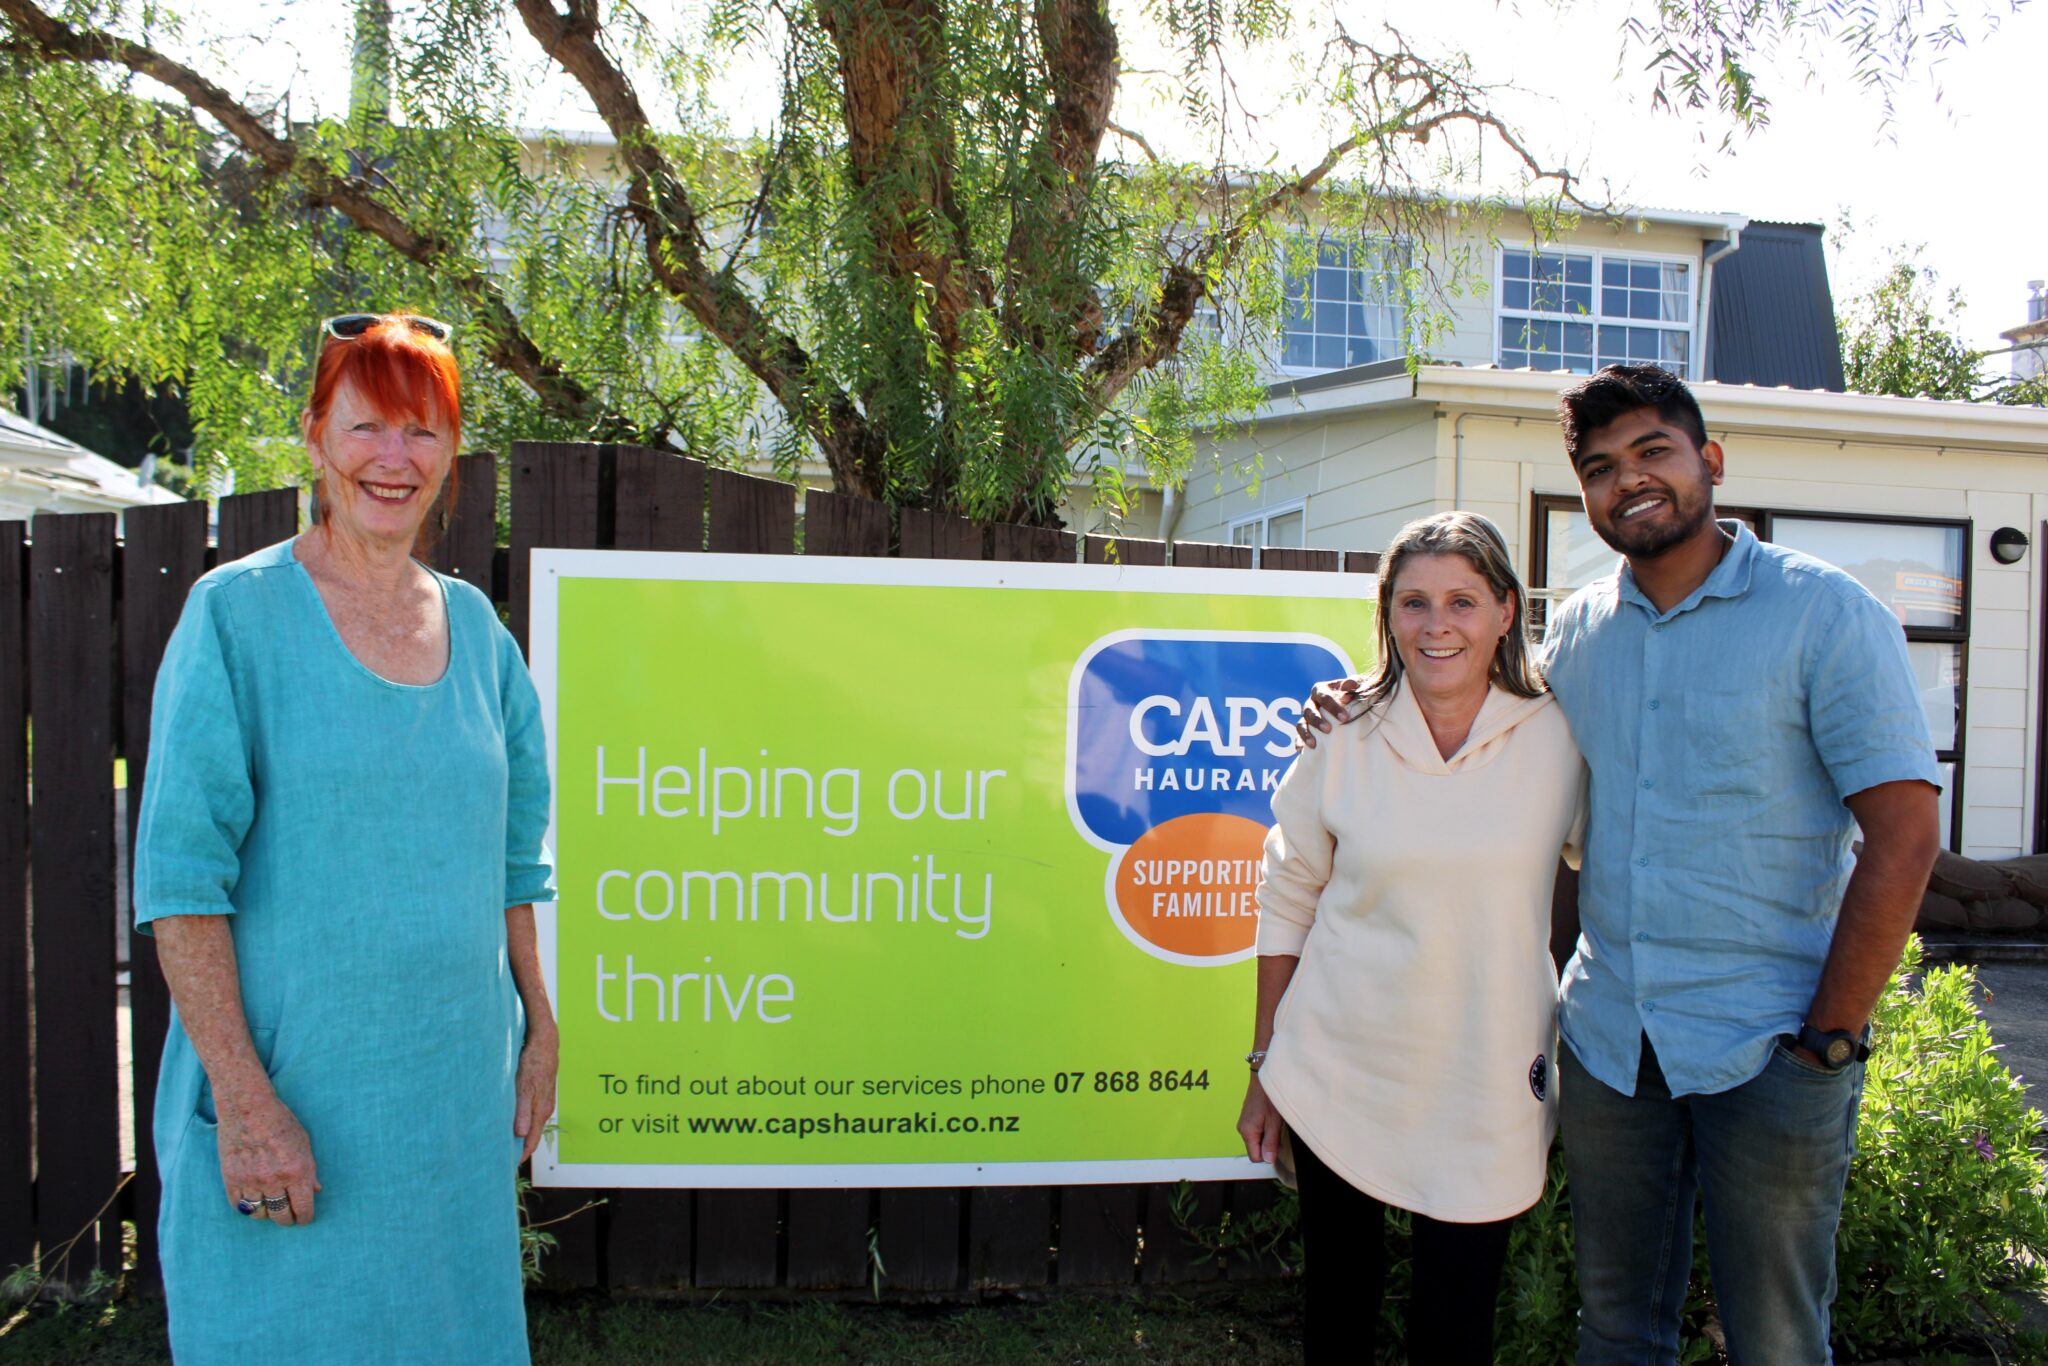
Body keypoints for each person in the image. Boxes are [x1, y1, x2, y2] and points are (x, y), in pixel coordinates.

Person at [1299, 364, 1941, 1364]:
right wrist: (1358, 695)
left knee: (1774, 1341)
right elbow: (1479, 721)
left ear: (1708, 462)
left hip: (1767, 1043)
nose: (1625, 480)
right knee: (1614, 1330)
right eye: (1598, 468)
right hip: (1610, 1047)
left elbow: (1902, 839)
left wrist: (1827, 1042)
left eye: (1651, 452)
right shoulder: (1581, 635)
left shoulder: (1824, 615)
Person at [134, 313, 558, 1364]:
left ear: (452, 453)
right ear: (316, 434)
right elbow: (181, 882)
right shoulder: (234, 617)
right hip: (292, 1107)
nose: (393, 459)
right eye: (368, 427)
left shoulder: (482, 640)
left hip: (448, 1115)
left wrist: (538, 1024)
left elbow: (513, 861)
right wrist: (243, 1101)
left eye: (422, 433)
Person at [1237, 510, 1587, 1363]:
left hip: (1486, 1081)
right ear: (1386, 614)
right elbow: (1288, 896)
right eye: (1413, 603)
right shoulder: (1341, 730)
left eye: (1463, 602)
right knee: (1338, 1321)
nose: (1437, 627)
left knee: (1455, 1332)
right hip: (1339, 1067)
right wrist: (1265, 1067)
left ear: (1507, 611)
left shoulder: (1566, 737)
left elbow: (1619, 867)